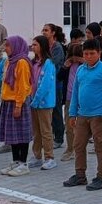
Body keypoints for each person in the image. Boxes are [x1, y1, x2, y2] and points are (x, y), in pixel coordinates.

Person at [63, 38, 102, 191]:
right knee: (78, 145)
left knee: (100, 146)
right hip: (82, 114)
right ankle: (80, 175)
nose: (88, 56)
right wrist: (72, 113)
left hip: (99, 115)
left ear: (99, 53)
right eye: (86, 54)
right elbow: (75, 92)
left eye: (92, 53)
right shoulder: (81, 69)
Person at [0, 36, 33, 175]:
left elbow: (23, 86)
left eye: (8, 45)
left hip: (19, 102)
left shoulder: (22, 62)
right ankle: (16, 161)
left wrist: (18, 105)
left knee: (21, 133)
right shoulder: (9, 61)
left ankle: (23, 163)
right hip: (8, 101)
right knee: (12, 134)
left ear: (16, 46)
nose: (5, 48)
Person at [28, 35, 58, 171]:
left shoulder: (48, 63)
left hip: (44, 103)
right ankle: (37, 156)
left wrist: (36, 99)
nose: (33, 47)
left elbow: (45, 84)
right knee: (36, 131)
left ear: (42, 46)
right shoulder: (34, 62)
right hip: (33, 102)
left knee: (46, 130)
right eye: (32, 44)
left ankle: (49, 157)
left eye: (35, 45)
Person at [60, 42, 84, 163]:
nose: (74, 59)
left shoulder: (85, 66)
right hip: (70, 98)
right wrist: (64, 67)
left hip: (83, 99)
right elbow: (59, 77)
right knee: (69, 126)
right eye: (72, 56)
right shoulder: (68, 65)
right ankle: (70, 149)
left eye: (77, 56)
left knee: (83, 126)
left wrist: (83, 62)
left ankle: (79, 149)